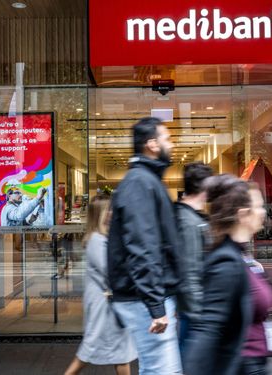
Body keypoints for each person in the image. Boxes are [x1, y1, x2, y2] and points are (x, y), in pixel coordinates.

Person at [107, 117, 182, 375]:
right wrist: (156, 306)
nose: (171, 144)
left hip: (147, 295)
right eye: (167, 138)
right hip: (143, 298)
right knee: (162, 371)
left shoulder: (146, 181)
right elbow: (143, 246)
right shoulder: (140, 183)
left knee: (159, 369)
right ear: (151, 144)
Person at [184, 174, 266, 375]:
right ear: (243, 214)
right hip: (242, 366)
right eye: (259, 206)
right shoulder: (227, 262)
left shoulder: (240, 255)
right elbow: (208, 329)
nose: (263, 212)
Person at [64, 194, 137, 375]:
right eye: (109, 210)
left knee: (119, 350)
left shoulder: (103, 237)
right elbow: (111, 271)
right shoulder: (96, 240)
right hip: (102, 303)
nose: (112, 213)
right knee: (95, 348)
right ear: (101, 214)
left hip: (107, 301)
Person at [174, 162, 213, 353]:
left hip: (192, 306)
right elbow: (189, 270)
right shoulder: (188, 221)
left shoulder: (190, 217)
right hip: (194, 308)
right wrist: (198, 312)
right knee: (189, 355)